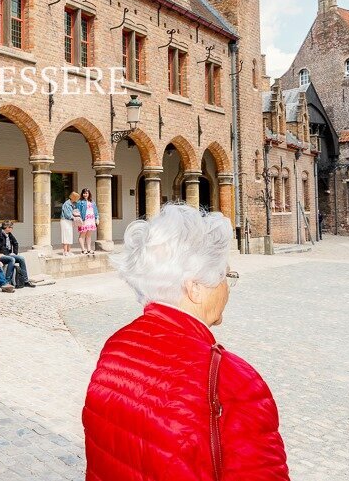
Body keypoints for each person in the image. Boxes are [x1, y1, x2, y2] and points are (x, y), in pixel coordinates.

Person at [84, 204, 288, 480]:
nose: (227, 287)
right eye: (225, 275)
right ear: (194, 288)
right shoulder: (232, 381)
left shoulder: (116, 347)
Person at [0, 220, 35, 288]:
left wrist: (14, 253)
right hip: (0, 255)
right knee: (12, 259)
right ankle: (7, 281)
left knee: (21, 258)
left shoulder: (9, 234)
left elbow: (15, 243)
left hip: (8, 254)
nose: (12, 229)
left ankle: (25, 281)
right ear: (7, 227)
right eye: (11, 227)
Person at [77, 187, 99, 254]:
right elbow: (78, 212)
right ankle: (83, 249)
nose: (85, 194)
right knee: (82, 235)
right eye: (84, 193)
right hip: (84, 220)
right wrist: (80, 220)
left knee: (89, 235)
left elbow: (96, 211)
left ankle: (89, 249)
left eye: (86, 193)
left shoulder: (92, 202)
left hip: (91, 220)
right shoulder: (80, 202)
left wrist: (97, 218)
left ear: (89, 194)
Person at [60, 191, 79, 255]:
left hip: (70, 221)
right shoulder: (67, 204)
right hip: (65, 221)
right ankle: (65, 251)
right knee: (66, 235)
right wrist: (75, 218)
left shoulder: (73, 204)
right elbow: (68, 214)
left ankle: (69, 251)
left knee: (70, 235)